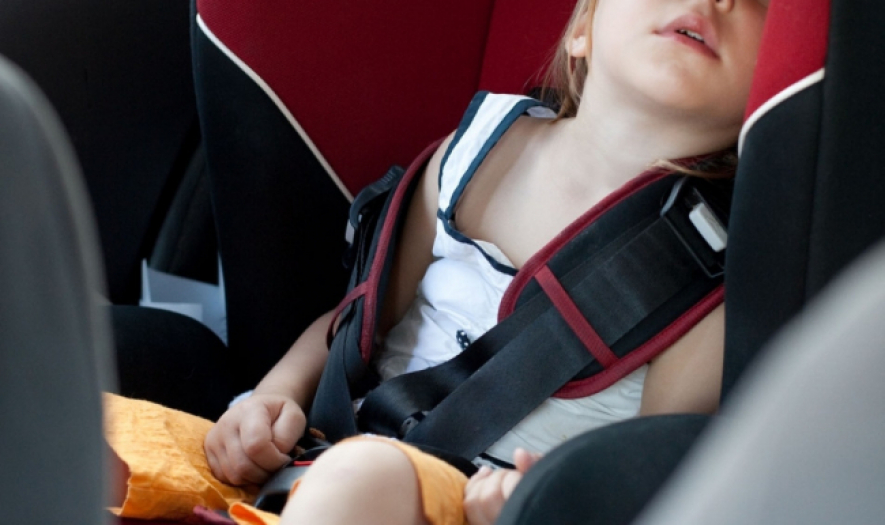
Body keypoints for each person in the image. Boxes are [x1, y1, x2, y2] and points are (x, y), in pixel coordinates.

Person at [107, 0, 768, 523]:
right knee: (99, 416)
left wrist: (544, 502)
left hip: (471, 505)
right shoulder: (477, 150)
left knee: (362, 474)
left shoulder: (708, 277)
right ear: (581, 31)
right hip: (322, 459)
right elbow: (354, 321)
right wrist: (274, 395)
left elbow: (658, 484)